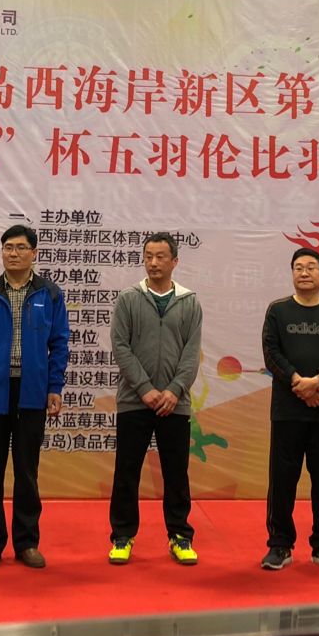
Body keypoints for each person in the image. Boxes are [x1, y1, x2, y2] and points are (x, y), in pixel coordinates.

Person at [0, 225, 70, 571]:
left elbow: (59, 344)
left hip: (32, 393)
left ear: (34, 253)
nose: (13, 253)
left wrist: (54, 387)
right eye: (8, 247)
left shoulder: (49, 294)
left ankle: (27, 542)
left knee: (26, 471)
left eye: (21, 247)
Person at [107, 232, 203, 566]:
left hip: (175, 403)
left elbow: (191, 353)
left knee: (176, 473)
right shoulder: (129, 299)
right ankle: (122, 536)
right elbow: (120, 346)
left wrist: (174, 390)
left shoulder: (189, 302)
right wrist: (145, 388)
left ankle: (180, 536)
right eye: (148, 256)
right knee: (127, 471)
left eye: (161, 257)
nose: (153, 263)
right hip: (135, 400)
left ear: (174, 261)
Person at [260, 246, 319, 572]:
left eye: (311, 267)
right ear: (292, 273)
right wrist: (299, 382)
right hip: (287, 410)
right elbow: (271, 354)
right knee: (282, 480)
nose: (304, 272)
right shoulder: (278, 310)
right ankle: (280, 544)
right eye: (298, 267)